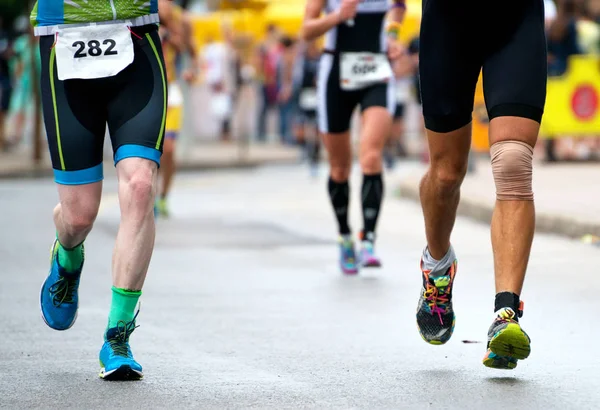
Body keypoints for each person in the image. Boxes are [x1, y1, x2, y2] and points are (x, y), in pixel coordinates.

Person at [32, 0, 170, 380]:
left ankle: (118, 336)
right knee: (78, 216)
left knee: (140, 185)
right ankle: (67, 257)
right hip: (64, 40)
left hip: (135, 36)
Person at [415, 0, 547, 370]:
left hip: (516, 18)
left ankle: (505, 314)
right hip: (448, 23)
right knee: (446, 173)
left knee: (513, 163)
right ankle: (437, 265)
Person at [302, 0, 406, 274]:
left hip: (375, 68)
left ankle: (368, 240)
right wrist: (337, 16)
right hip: (335, 70)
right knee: (340, 167)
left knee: (371, 156)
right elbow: (306, 30)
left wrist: (392, 37)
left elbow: (399, 7)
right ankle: (345, 237)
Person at [155, 1, 199, 218]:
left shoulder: (181, 20)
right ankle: (149, 195)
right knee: (150, 150)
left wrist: (191, 71)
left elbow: (192, 53)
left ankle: (163, 195)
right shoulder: (142, 12)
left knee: (169, 149)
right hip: (149, 91)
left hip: (171, 91)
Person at [7, 16, 41, 149]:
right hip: (24, 80)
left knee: (37, 109)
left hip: (38, 81)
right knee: (19, 106)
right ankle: (16, 133)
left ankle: (35, 137)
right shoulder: (22, 43)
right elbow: (16, 60)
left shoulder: (40, 44)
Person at [293, 39, 322, 176]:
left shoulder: (320, 59)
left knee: (316, 127)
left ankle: (315, 155)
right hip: (305, 95)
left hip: (317, 96)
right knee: (302, 126)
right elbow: (297, 79)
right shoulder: (301, 60)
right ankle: (304, 150)